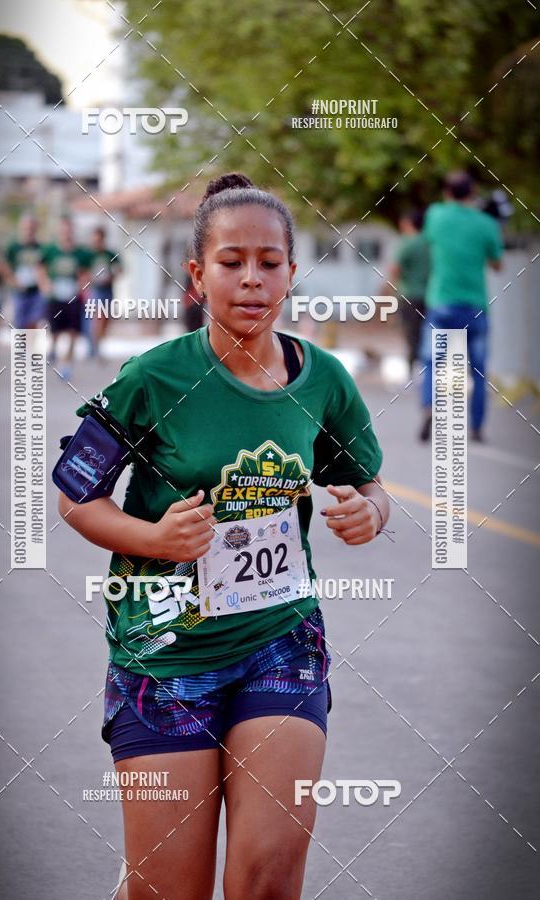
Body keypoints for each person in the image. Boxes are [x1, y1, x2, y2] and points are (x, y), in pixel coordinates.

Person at [56, 172, 388, 900]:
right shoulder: (153, 377)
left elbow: (368, 483)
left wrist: (371, 510)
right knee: (169, 890)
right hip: (166, 654)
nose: (252, 279)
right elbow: (74, 498)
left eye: (269, 263)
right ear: (199, 275)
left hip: (282, 640)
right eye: (231, 262)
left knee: (268, 877)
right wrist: (156, 537)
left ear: (292, 274)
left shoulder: (324, 379)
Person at [419, 171, 503, 442]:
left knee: (433, 363)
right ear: (473, 191)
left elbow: (429, 238)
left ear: (446, 192)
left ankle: (430, 407)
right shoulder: (486, 223)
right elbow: (497, 264)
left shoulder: (436, 215)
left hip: (442, 304)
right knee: (477, 370)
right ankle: (476, 426)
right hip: (475, 306)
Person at [39, 217, 92, 381]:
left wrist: (84, 289)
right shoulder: (50, 250)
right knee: (55, 330)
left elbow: (85, 273)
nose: (66, 233)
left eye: (69, 230)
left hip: (73, 296)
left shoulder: (81, 253)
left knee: (73, 331)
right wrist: (45, 284)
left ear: (72, 231)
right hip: (55, 296)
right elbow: (40, 269)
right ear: (59, 231)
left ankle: (66, 365)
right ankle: (53, 348)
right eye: (63, 229)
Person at [386, 209, 429, 374]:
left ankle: (413, 369)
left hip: (409, 294)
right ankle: (424, 369)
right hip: (428, 295)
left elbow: (395, 269)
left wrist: (390, 290)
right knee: (424, 332)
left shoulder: (407, 243)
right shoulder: (429, 243)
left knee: (411, 333)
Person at [82, 226, 122, 359]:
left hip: (107, 290)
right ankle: (94, 348)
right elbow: (82, 271)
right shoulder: (88, 255)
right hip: (95, 290)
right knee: (97, 318)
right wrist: (90, 280)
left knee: (105, 319)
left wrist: (111, 277)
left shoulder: (109, 254)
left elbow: (120, 269)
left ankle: (96, 343)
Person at [5, 213, 46, 329]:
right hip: (19, 292)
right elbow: (7, 270)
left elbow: (44, 269)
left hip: (36, 292)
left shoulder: (40, 248)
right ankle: (21, 347)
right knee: (20, 326)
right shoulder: (14, 248)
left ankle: (31, 347)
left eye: (32, 228)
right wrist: (14, 283)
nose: (29, 231)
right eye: (27, 228)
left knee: (34, 323)